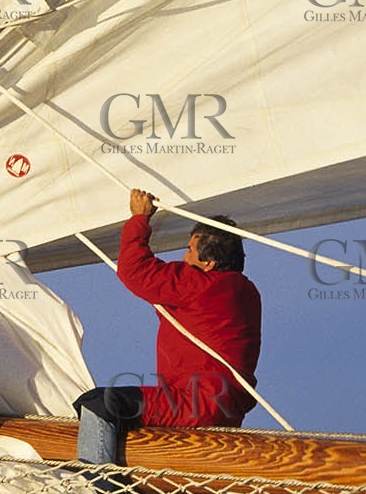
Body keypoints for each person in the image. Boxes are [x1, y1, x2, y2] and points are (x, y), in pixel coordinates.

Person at [73, 188, 262, 462]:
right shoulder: (246, 291)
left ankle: (97, 481)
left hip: (194, 403)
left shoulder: (199, 285)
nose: (184, 258)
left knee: (98, 404)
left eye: (190, 251)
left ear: (209, 263)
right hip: (225, 407)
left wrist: (139, 218)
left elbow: (135, 271)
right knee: (125, 412)